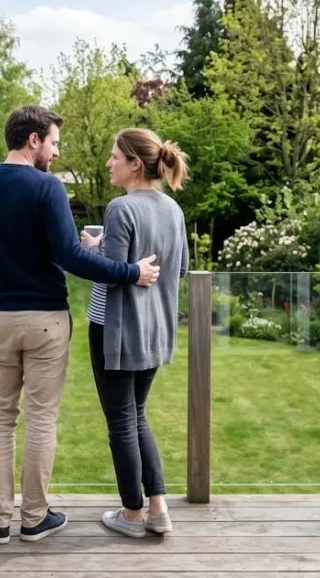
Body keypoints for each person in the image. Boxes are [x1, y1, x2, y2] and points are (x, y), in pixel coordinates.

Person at [0, 105, 161, 545]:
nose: (55, 151)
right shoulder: (46, 189)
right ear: (33, 140)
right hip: (45, 319)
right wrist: (131, 273)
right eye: (53, 142)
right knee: (41, 419)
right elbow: (71, 255)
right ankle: (34, 519)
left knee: (0, 420)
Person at [80, 128, 189, 539]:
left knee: (121, 422)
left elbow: (112, 273)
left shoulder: (120, 209)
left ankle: (131, 514)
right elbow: (175, 270)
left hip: (116, 330)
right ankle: (157, 508)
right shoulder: (173, 211)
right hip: (155, 331)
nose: (109, 163)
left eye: (114, 157)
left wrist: (91, 251)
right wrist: (101, 244)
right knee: (136, 415)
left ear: (134, 164)